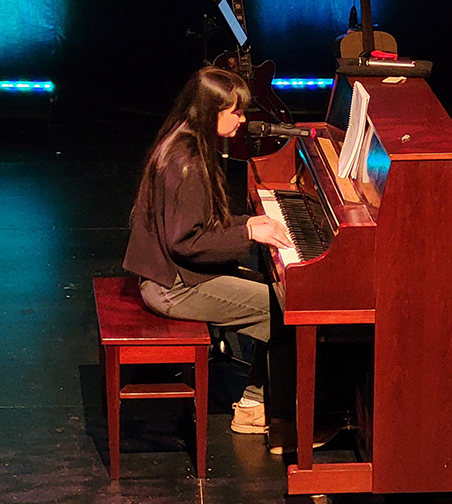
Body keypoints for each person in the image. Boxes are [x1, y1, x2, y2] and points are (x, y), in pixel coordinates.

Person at [122, 66, 295, 452]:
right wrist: (248, 233)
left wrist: (249, 222)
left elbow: (200, 224)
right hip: (173, 286)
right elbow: (187, 241)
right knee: (286, 307)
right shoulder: (189, 163)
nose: (243, 119)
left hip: (175, 274)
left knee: (276, 290)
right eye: (234, 111)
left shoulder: (185, 143)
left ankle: (257, 401)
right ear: (208, 112)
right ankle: (267, 410)